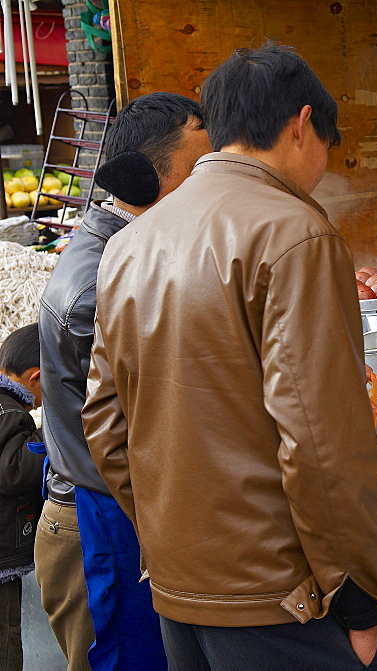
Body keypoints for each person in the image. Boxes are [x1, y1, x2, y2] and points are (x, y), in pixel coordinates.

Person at [82, 42, 377, 670]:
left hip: (180, 597)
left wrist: (179, 545)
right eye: (329, 141)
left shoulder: (133, 241)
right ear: (302, 124)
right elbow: (322, 443)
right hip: (286, 606)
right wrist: (361, 598)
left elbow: (105, 426)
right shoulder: (294, 232)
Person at [37, 91, 211, 670]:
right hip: (103, 518)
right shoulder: (97, 286)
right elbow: (147, 421)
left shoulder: (136, 249)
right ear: (141, 180)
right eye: (196, 173)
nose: (209, 190)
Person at [0, 323, 45, 670]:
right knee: (6, 633)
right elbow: (14, 472)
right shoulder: (12, 415)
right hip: (2, 554)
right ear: (35, 378)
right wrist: (49, 435)